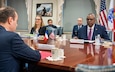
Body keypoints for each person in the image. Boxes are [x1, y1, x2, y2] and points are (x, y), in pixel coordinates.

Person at [0, 6, 41, 72]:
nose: (17, 24)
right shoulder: (12, 37)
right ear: (10, 20)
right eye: (16, 21)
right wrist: (32, 49)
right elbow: (36, 56)